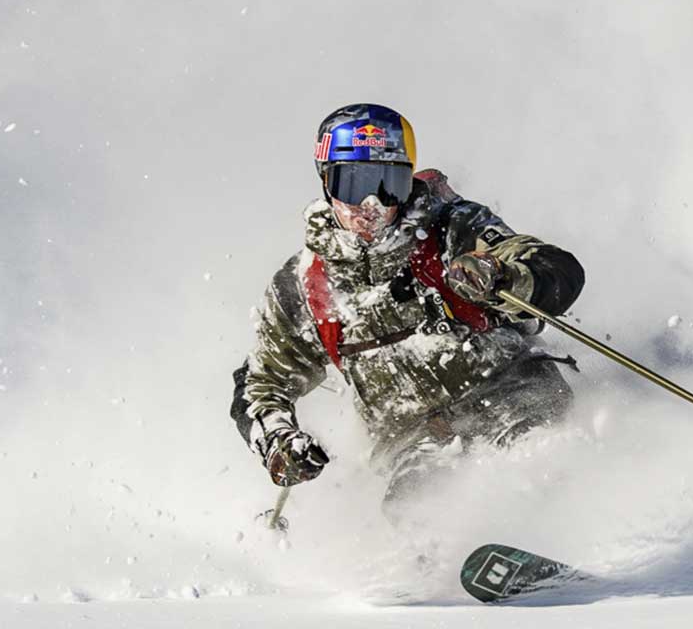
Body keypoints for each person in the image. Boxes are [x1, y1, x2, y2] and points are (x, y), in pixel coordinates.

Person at [231, 103, 584, 513]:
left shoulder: (452, 228)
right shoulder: (306, 285)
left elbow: (553, 269)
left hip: (511, 392)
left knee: (537, 459)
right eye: (354, 185)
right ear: (327, 183)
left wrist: (502, 275)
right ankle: (454, 565)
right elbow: (262, 383)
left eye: (388, 185)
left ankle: (585, 538)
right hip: (412, 438)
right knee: (415, 508)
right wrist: (278, 440)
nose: (371, 205)